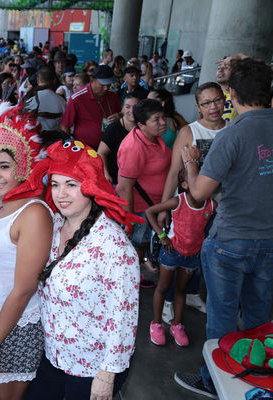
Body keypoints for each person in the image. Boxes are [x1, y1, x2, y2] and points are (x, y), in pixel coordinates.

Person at [175, 58, 273, 399]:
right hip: (270, 241)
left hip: (230, 241)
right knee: (260, 319)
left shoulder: (232, 134)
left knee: (222, 319)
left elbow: (199, 194)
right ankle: (258, 380)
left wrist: (190, 161)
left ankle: (214, 381)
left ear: (231, 95)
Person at [21, 140, 141, 400]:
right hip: (54, 356)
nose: (60, 193)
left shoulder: (114, 245)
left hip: (91, 368)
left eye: (71, 184)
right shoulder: (51, 226)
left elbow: (124, 316)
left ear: (90, 185)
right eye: (55, 184)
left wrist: (107, 375)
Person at [0, 102, 53, 399]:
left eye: (4, 166)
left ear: (22, 165)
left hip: (15, 326)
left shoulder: (33, 214)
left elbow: (23, 289)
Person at [155, 82, 226, 323]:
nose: (213, 107)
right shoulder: (190, 132)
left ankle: (193, 293)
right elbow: (175, 171)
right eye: (206, 103)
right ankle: (168, 300)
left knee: (198, 255)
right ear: (198, 107)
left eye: (217, 100)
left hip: (219, 209)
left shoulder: (232, 129)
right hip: (189, 208)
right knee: (180, 251)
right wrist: (165, 207)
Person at [146, 169, 216, 347]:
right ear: (184, 185)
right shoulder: (178, 201)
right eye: (196, 181)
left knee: (181, 290)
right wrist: (162, 236)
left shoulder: (212, 205)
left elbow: (218, 222)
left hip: (192, 256)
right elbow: (150, 212)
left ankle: (177, 325)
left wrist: (206, 241)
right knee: (163, 287)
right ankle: (156, 324)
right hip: (172, 253)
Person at [117, 99, 171, 270]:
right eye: (156, 119)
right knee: (135, 247)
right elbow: (125, 187)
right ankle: (133, 278)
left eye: (163, 117)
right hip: (139, 210)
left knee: (144, 243)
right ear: (141, 124)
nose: (163, 122)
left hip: (153, 207)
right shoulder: (134, 147)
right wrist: (129, 221)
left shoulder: (155, 138)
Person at [60, 65, 121, 149]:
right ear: (92, 80)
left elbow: (122, 115)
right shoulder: (77, 98)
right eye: (102, 85)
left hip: (109, 146)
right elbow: (64, 126)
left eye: (108, 84)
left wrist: (119, 116)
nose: (106, 88)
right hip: (84, 148)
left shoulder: (112, 96)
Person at [97, 93, 141, 185]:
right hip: (116, 181)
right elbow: (101, 153)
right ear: (122, 109)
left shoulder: (144, 126)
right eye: (127, 107)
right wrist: (106, 174)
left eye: (135, 107)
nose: (132, 110)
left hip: (139, 181)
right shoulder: (113, 128)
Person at [23, 66, 67, 132]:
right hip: (56, 140)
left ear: (38, 80)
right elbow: (65, 127)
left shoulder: (29, 99)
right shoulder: (62, 101)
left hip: (32, 139)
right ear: (54, 80)